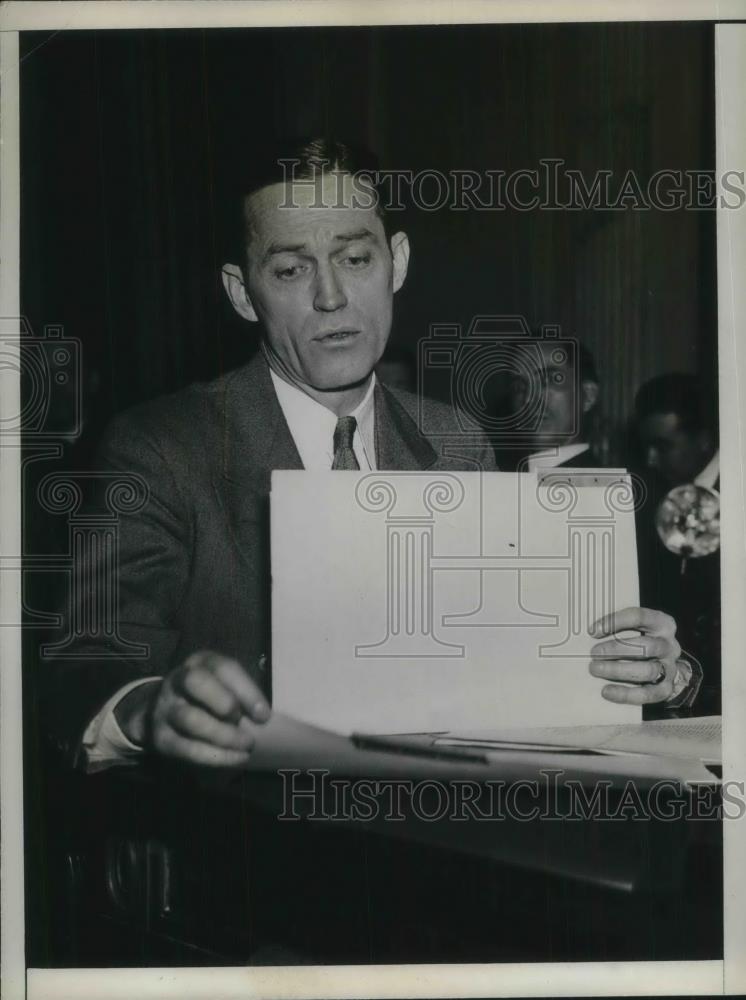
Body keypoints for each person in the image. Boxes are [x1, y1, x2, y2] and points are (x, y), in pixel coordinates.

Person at [40, 138, 698, 774]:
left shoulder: (459, 442)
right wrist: (151, 709)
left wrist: (647, 670)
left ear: (398, 261)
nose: (331, 298)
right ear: (243, 293)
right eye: (292, 269)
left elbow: (512, 660)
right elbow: (83, 669)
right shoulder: (160, 447)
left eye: (355, 259)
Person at [632, 373, 720, 712]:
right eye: (647, 447)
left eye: (663, 446)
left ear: (704, 439)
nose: (651, 459)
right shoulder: (656, 494)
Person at [502, 338, 602, 471]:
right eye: (519, 386)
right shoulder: (500, 481)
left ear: (588, 396)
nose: (528, 399)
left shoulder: (607, 488)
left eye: (549, 380)